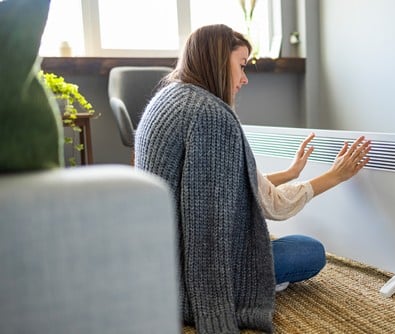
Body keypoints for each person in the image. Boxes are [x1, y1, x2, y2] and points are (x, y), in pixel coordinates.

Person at [134, 24, 371, 334]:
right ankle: (257, 285)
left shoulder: (167, 100)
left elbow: (218, 186)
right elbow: (276, 207)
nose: (244, 79)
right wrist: (335, 176)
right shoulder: (211, 116)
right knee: (309, 250)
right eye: (242, 66)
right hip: (189, 270)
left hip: (157, 260)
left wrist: (289, 173)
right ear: (218, 61)